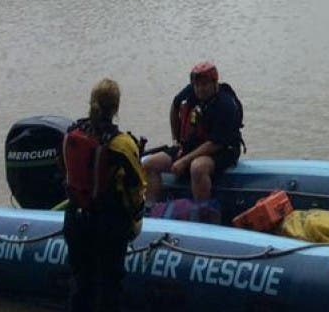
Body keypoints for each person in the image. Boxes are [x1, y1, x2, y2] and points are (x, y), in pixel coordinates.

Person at [62, 78, 146, 312]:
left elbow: (64, 169)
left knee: (81, 283)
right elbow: (136, 186)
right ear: (116, 108)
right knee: (110, 286)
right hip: (107, 224)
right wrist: (135, 219)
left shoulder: (71, 133)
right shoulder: (122, 144)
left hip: (75, 219)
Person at [143, 62, 244, 203]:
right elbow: (175, 105)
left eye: (204, 85)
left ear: (215, 83)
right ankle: (151, 208)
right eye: (197, 85)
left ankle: (202, 211)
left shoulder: (225, 104)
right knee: (150, 164)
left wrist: (184, 161)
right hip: (193, 145)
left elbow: (215, 144)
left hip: (223, 149)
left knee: (197, 167)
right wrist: (176, 140)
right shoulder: (191, 91)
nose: (200, 89)